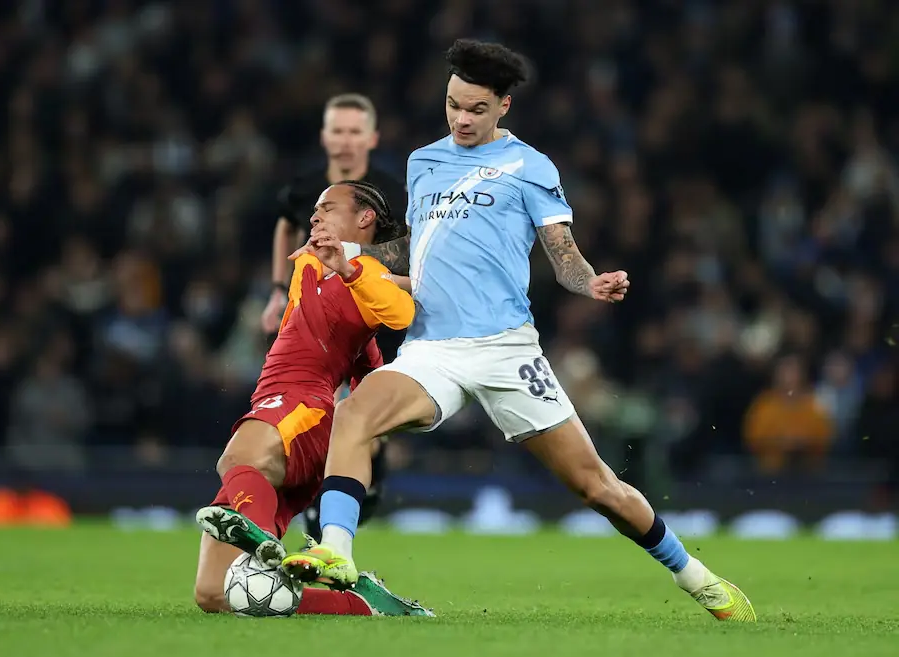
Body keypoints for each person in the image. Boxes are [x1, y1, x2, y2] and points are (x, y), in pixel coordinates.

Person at [282, 39, 756, 623]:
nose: (461, 118)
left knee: (596, 488)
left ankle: (700, 579)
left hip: (506, 349)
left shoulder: (531, 168)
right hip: (433, 347)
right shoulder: (422, 161)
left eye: (476, 109)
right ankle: (335, 552)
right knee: (354, 414)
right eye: (453, 104)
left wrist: (592, 284)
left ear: (504, 106)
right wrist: (351, 248)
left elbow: (563, 257)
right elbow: (418, 246)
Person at [193, 180, 431, 617]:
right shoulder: (307, 263)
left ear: (364, 218)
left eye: (328, 207)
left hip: (303, 406)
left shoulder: (369, 273)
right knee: (214, 594)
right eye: (315, 210)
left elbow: (402, 314)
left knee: (234, 459)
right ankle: (361, 605)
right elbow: (366, 357)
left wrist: (349, 269)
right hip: (276, 412)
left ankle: (261, 538)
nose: (315, 215)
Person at [261, 93, 405, 541]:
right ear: (325, 137)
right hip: (320, 308)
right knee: (321, 403)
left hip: (371, 306)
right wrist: (276, 291)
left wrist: (360, 262)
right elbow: (285, 224)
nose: (345, 141)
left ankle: (360, 478)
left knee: (366, 411)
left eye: (353, 132)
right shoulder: (309, 189)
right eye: (337, 131)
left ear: (371, 138)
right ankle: (320, 493)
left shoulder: (388, 191)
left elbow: (408, 245)